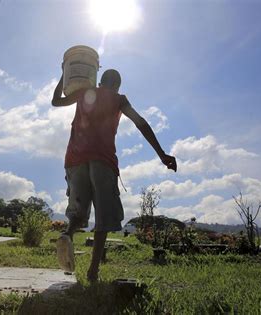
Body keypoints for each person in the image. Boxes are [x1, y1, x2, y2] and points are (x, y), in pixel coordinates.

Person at [52, 68, 177, 282]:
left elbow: (56, 101)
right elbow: (141, 123)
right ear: (117, 85)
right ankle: (93, 272)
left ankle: (68, 234)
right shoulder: (119, 99)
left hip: (75, 159)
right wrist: (161, 153)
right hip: (103, 160)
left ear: (100, 82)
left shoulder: (84, 91)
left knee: (78, 211)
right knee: (104, 216)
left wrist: (65, 72)